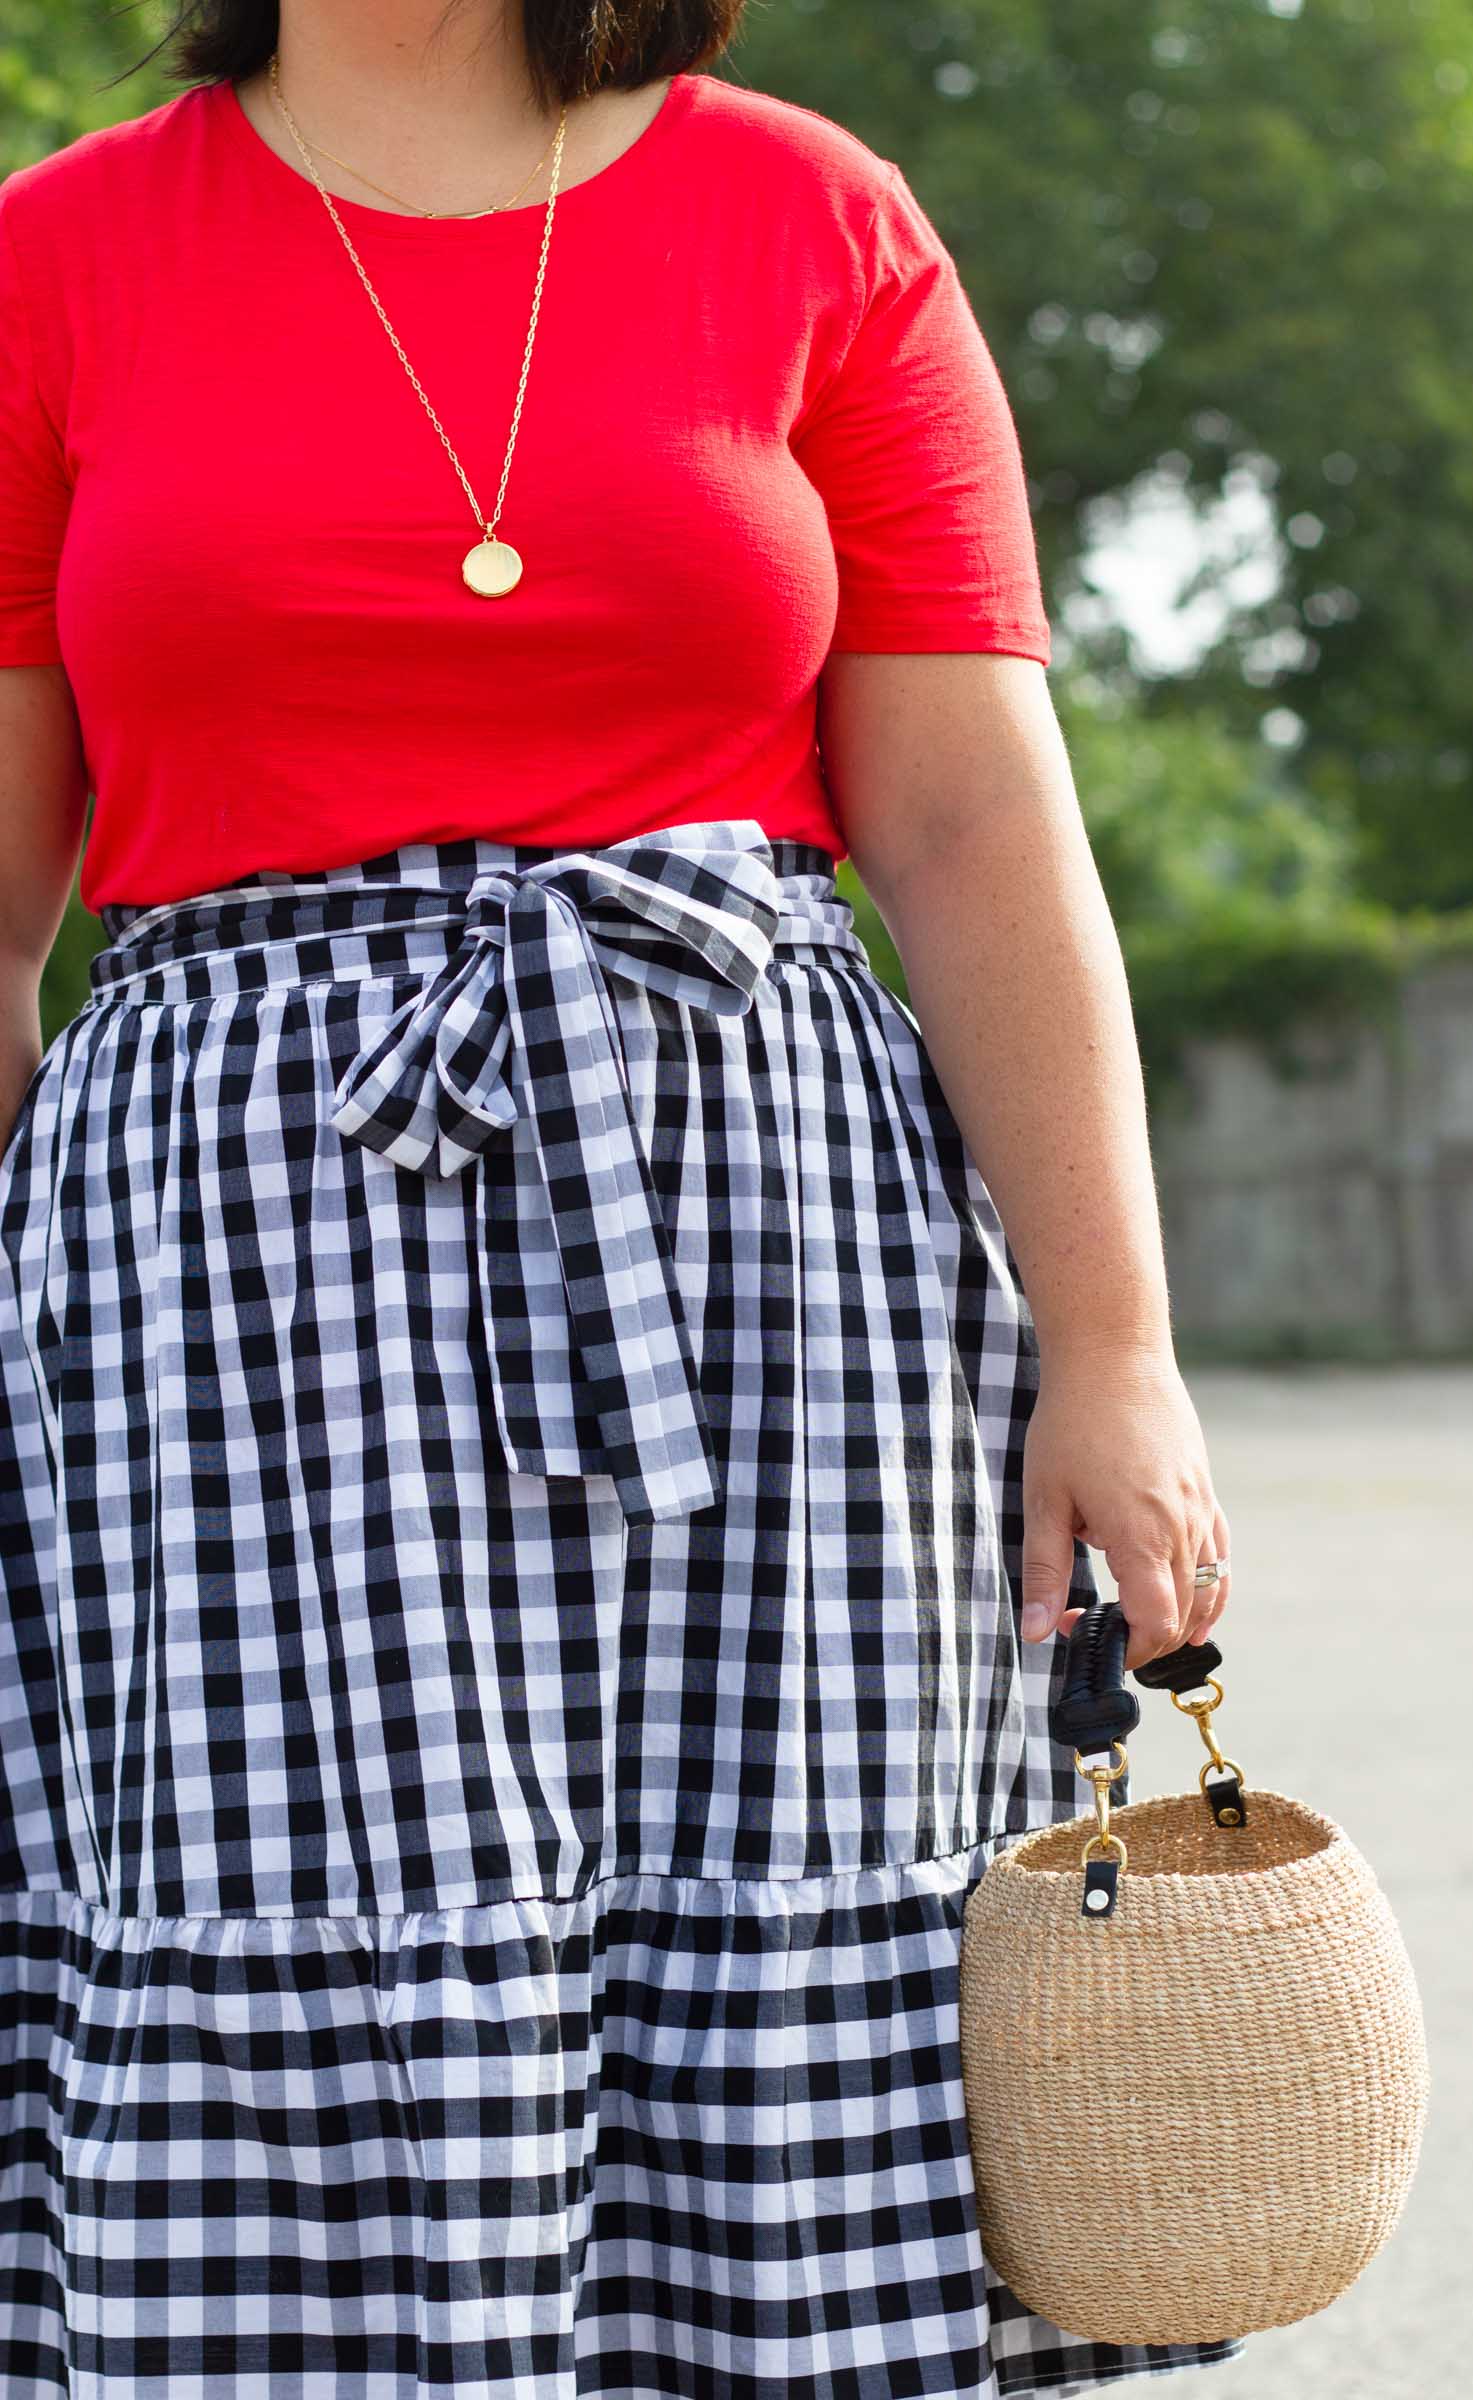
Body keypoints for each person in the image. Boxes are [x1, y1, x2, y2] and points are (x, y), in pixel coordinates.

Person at [0, 3, 1237, 2392]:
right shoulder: (56, 255)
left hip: (773, 1244)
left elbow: (975, 823)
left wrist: (1111, 1344)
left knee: (785, 1964)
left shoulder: (810, 220)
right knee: (299, 1923)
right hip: (232, 1292)